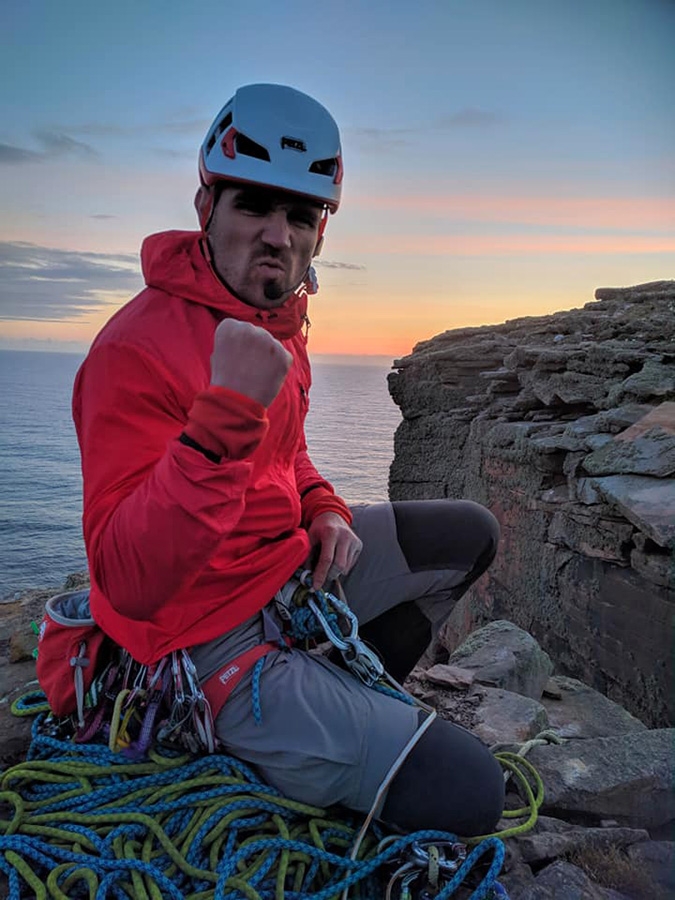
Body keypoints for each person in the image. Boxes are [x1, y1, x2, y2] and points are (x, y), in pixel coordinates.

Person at [72, 83, 505, 836]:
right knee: (468, 792)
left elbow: (289, 455)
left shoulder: (278, 325)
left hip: (282, 582)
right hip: (195, 642)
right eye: (254, 207)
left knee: (467, 532)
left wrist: (324, 508)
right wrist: (223, 418)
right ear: (206, 209)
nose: (277, 234)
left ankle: (336, 704)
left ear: (320, 236)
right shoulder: (132, 351)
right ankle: (280, 744)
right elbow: (128, 582)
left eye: (299, 216)